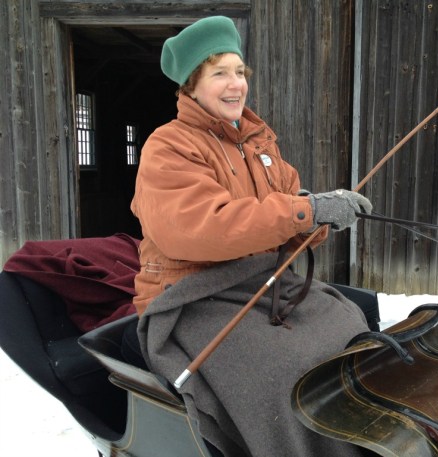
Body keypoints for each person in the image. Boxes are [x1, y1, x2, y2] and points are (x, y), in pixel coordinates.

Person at [131, 16, 374, 457]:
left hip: (255, 282)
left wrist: (320, 217)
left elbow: (285, 218)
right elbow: (203, 228)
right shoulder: (168, 146)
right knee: (284, 371)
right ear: (191, 86)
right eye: (219, 73)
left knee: (351, 328)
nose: (235, 84)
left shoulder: (259, 144)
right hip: (187, 294)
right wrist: (305, 210)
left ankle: (367, 443)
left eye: (239, 72)